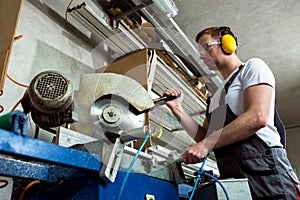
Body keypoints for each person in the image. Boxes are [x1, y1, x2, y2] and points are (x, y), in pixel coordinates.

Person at [163, 26, 300, 199]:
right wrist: (177, 108)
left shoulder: (252, 67)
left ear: (228, 43)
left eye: (206, 47)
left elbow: (257, 117)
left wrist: (206, 145)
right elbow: (204, 138)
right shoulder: (216, 97)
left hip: (265, 170)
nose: (201, 55)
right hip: (233, 177)